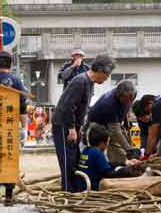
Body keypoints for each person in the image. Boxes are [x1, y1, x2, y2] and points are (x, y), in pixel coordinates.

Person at [51, 54, 115, 191]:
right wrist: (71, 128)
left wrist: (78, 127)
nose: (107, 78)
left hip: (73, 125)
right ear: (100, 70)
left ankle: (74, 190)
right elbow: (68, 106)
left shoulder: (89, 83)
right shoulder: (80, 81)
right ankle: (69, 192)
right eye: (107, 75)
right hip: (63, 124)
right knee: (68, 160)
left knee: (74, 159)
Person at [0, 50, 29, 207]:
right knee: (9, 160)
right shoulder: (16, 81)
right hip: (10, 128)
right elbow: (22, 108)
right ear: (10, 64)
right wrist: (24, 128)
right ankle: (9, 196)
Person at [72, 124, 141, 192]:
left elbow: (105, 165)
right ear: (102, 143)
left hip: (82, 186)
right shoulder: (97, 153)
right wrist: (126, 171)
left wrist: (125, 163)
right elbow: (108, 173)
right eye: (107, 142)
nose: (107, 145)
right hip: (93, 188)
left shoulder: (86, 150)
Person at [86, 80, 137, 165]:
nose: (128, 102)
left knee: (123, 138)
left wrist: (125, 124)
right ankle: (119, 164)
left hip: (113, 121)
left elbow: (125, 111)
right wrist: (129, 150)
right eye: (126, 100)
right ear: (119, 95)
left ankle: (121, 162)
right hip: (98, 123)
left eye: (131, 99)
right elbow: (115, 132)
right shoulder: (109, 104)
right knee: (115, 142)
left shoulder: (128, 97)